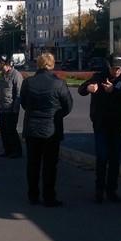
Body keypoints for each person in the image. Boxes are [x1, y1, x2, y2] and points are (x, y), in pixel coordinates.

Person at [78, 53, 121, 203]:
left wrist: (115, 90)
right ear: (108, 65)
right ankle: (99, 189)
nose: (116, 71)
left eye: (119, 68)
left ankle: (112, 190)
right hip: (101, 123)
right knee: (102, 157)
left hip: (117, 124)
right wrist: (88, 88)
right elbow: (81, 89)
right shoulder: (99, 76)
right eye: (114, 68)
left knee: (115, 159)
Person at [20, 53, 73, 207]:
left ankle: (33, 195)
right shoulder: (59, 83)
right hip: (52, 130)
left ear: (38, 64)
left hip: (32, 128)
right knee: (50, 165)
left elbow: (24, 103)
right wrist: (56, 116)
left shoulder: (28, 83)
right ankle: (49, 196)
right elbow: (68, 106)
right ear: (52, 64)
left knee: (33, 163)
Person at [0, 56, 23, 158]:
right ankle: (7, 149)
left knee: (11, 130)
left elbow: (18, 93)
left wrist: (15, 109)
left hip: (11, 108)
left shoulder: (16, 75)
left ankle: (16, 151)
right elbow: (0, 91)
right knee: (3, 130)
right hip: (3, 107)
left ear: (4, 63)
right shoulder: (2, 75)